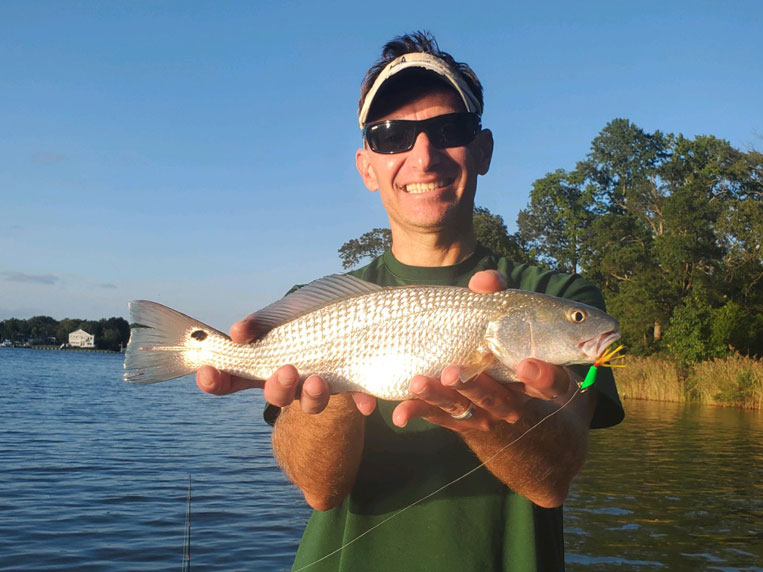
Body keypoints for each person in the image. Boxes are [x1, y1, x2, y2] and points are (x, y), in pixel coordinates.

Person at [197, 32, 624, 571]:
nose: (423, 156)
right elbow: (319, 492)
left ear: (483, 148)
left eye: (450, 129)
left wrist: (492, 415)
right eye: (391, 135)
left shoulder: (562, 296)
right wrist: (329, 395)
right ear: (365, 166)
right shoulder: (309, 310)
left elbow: (553, 482)